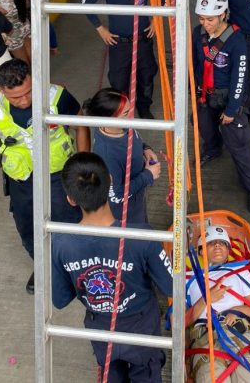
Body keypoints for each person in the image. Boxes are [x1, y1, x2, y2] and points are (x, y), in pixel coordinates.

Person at [51, 152, 173, 379]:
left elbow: (59, 299)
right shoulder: (141, 236)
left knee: (111, 375)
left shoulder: (60, 242)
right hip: (141, 330)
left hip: (101, 330)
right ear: (110, 181)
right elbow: (171, 286)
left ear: (71, 199)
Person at [0, 59, 87, 293]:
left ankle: (78, 270)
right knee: (28, 227)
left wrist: (82, 171)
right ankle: (44, 266)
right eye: (15, 97)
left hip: (60, 175)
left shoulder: (58, 98)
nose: (24, 100)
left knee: (69, 224)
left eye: (28, 92)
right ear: (1, 90)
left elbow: (81, 126)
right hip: (21, 181)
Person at [192, 0, 250, 213]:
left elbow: (240, 78)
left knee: (239, 145)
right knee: (205, 128)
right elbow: (194, 64)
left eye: (210, 19)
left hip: (229, 99)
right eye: (202, 19)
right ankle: (212, 150)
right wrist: (193, 93)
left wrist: (232, 110)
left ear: (223, 14)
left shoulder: (236, 41)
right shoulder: (198, 34)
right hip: (205, 96)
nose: (206, 24)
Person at [81, 0, 161, 119]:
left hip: (143, 40)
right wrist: (100, 28)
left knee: (146, 75)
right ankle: (123, 110)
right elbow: (85, 3)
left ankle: (144, 106)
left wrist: (156, 19)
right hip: (118, 43)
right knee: (119, 81)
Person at [186, 225, 250, 383]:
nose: (218, 245)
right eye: (212, 243)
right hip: (206, 338)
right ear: (201, 251)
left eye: (222, 243)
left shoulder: (240, 271)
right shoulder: (189, 278)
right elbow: (179, 322)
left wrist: (236, 311)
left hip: (239, 334)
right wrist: (206, 300)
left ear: (228, 250)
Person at [84, 89, 160, 224]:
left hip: (137, 200)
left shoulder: (121, 126)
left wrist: (145, 148)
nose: (132, 117)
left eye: (130, 111)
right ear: (108, 119)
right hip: (126, 213)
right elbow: (117, 195)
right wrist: (148, 175)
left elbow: (136, 140)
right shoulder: (107, 156)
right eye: (126, 114)